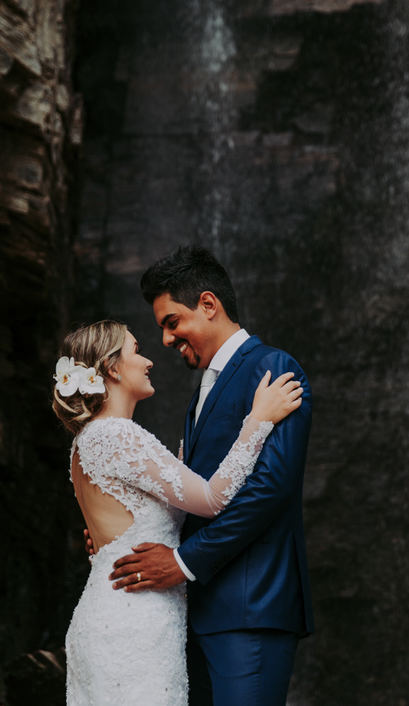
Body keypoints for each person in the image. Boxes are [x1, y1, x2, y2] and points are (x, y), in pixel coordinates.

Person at [54, 318, 303, 706]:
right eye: (137, 350)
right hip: (136, 619)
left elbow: (120, 527)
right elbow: (210, 499)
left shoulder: (85, 441)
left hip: (108, 612)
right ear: (112, 368)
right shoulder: (118, 434)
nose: (150, 359)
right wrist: (258, 422)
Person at [109, 246, 315, 706]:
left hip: (249, 607)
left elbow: (270, 489)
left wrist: (182, 563)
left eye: (171, 322)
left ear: (208, 304)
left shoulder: (273, 368)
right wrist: (119, 535)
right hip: (195, 613)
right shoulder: (203, 389)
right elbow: (191, 495)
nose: (165, 340)